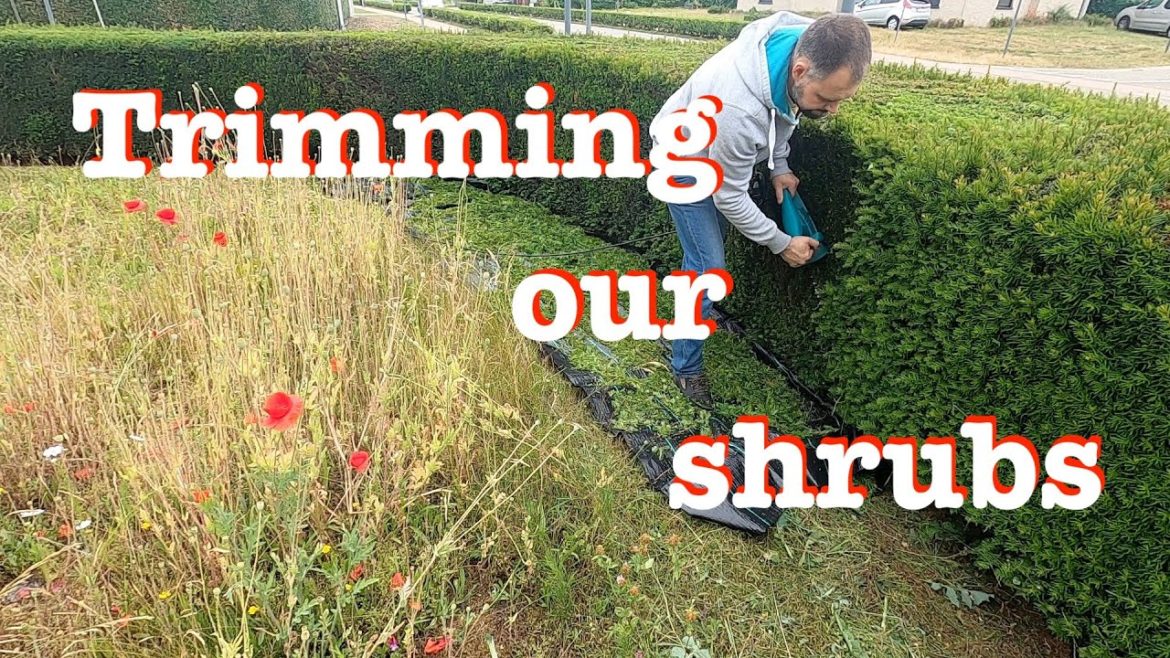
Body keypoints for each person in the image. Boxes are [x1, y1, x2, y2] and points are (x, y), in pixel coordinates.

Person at [648, 11, 872, 409]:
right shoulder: (736, 108)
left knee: (700, 259)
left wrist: (780, 167)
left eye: (841, 99)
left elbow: (784, 110)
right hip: (684, 163)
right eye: (827, 98)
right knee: (708, 267)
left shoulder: (804, 40)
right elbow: (728, 195)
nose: (833, 109)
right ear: (800, 70)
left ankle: (685, 321)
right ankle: (686, 367)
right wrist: (781, 242)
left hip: (714, 156)